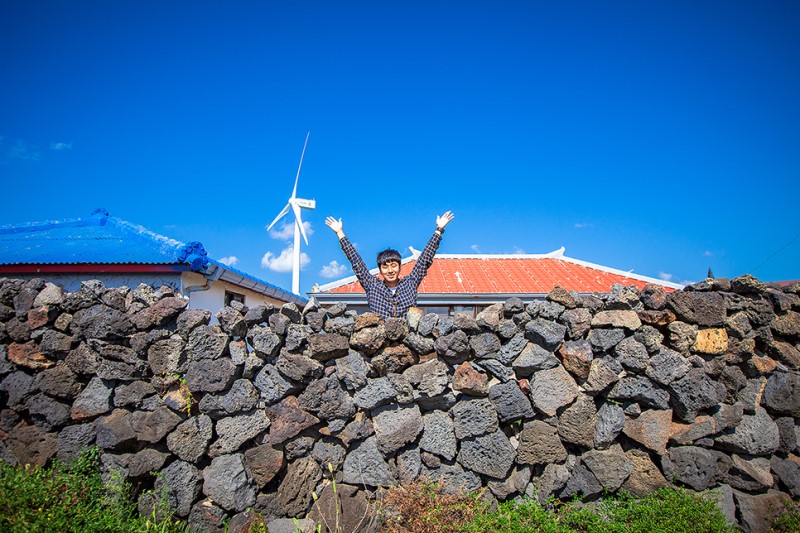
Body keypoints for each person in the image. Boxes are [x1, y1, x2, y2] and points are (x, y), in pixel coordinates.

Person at [325, 211, 455, 318]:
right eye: (385, 267)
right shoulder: (372, 285)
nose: (390, 270)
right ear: (380, 270)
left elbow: (424, 259)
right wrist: (340, 233)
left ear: (399, 267)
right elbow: (356, 262)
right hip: (379, 342)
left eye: (393, 265)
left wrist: (438, 230)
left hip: (407, 341)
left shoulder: (410, 283)